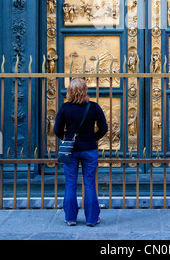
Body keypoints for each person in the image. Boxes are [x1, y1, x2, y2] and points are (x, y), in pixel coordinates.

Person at [54, 77, 108, 227]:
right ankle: (91, 219)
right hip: (89, 150)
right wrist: (92, 138)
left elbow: (57, 130)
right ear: (85, 90)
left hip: (70, 151)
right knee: (89, 184)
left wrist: (68, 139)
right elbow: (104, 128)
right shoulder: (94, 107)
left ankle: (70, 218)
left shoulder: (65, 108)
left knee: (70, 184)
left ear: (70, 91)